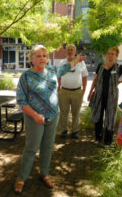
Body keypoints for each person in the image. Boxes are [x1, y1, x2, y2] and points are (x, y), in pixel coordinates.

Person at [14, 44, 79, 193]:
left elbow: (66, 67)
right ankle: (21, 178)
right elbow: (21, 100)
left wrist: (76, 59)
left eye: (44, 56)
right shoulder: (26, 76)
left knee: (48, 148)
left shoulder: (52, 71)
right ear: (32, 59)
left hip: (53, 116)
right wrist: (36, 115)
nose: (42, 58)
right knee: (31, 148)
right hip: (34, 117)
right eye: (38, 56)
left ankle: (44, 173)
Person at [88, 46, 122, 145]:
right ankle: (98, 138)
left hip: (111, 98)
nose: (110, 55)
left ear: (116, 56)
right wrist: (90, 91)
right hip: (99, 96)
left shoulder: (119, 67)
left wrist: (120, 81)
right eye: (109, 53)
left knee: (110, 118)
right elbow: (95, 80)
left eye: (112, 54)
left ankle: (108, 141)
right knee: (98, 117)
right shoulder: (100, 66)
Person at [58, 44, 88, 139]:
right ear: (66, 51)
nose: (70, 51)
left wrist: (84, 90)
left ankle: (75, 131)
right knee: (63, 112)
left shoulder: (81, 63)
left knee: (76, 112)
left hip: (77, 91)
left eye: (72, 50)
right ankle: (63, 130)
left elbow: (85, 76)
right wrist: (59, 87)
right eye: (68, 50)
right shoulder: (62, 62)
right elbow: (59, 75)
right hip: (64, 91)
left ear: (75, 52)